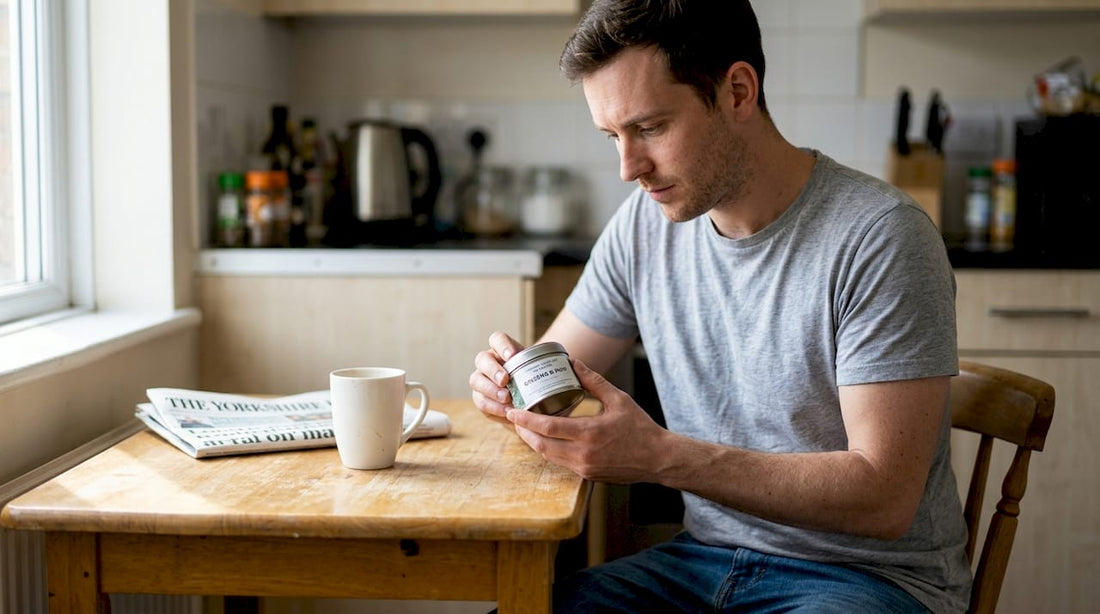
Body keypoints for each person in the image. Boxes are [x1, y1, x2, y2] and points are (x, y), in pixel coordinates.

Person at [469, 1, 971, 612]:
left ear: (737, 91)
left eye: (650, 128)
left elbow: (884, 499)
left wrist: (660, 456)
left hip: (864, 578)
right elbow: (560, 371)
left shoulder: (881, 237)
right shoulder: (644, 227)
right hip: (701, 564)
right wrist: (512, 388)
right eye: (612, 137)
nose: (628, 168)